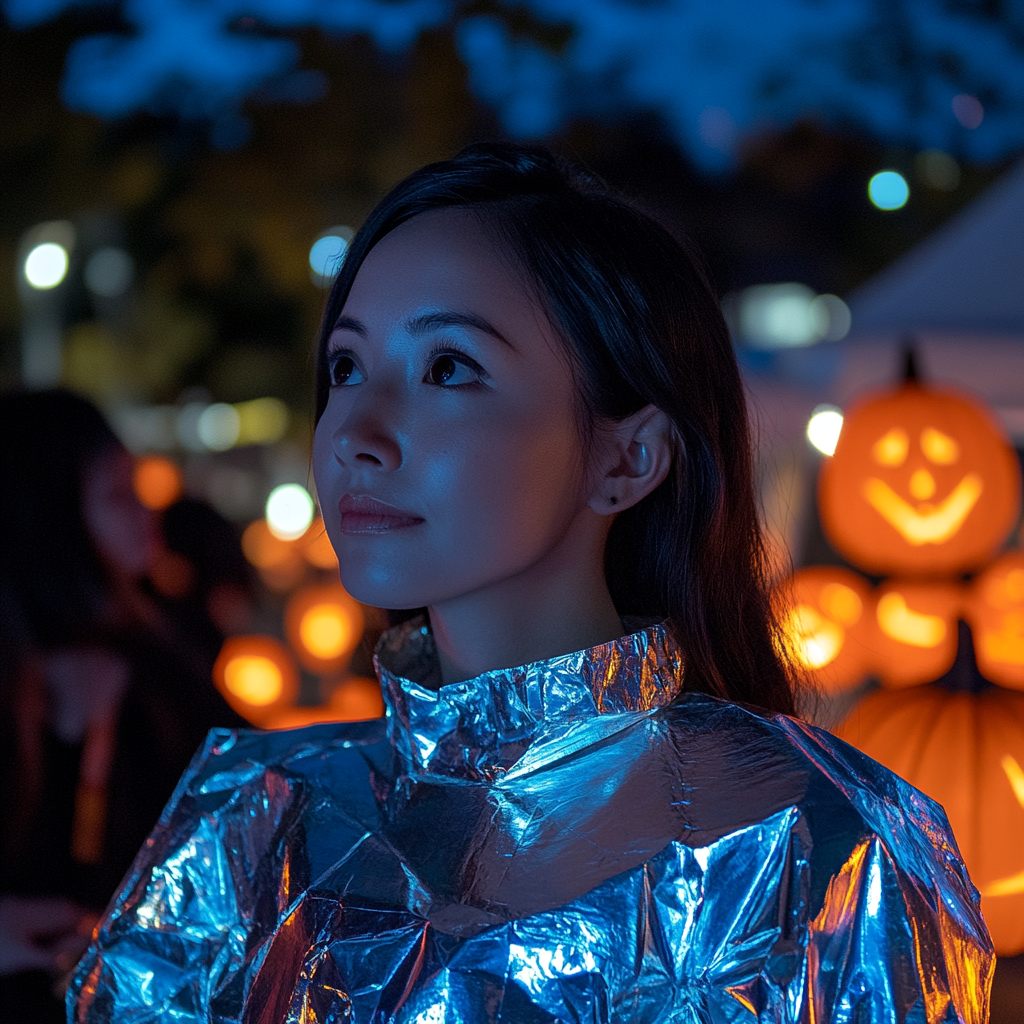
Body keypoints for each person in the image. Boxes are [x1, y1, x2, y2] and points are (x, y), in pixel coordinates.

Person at [69, 145, 992, 1022]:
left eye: (448, 368)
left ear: (628, 457)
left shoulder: (828, 848)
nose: (357, 429)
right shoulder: (245, 819)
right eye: (346, 366)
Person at [0, 390, 243, 1023]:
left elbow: (256, 816)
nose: (145, 513)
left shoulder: (165, 671)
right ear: (46, 524)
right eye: (115, 495)